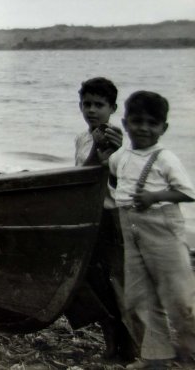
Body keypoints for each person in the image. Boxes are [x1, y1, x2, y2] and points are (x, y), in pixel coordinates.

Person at [108, 91, 195, 369]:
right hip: (130, 226)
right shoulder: (121, 155)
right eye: (136, 121)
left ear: (163, 128)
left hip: (162, 227)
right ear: (125, 123)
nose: (144, 128)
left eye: (152, 123)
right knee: (138, 297)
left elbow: (186, 192)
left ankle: (190, 352)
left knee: (179, 296)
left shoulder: (165, 157)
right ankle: (157, 356)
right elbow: (115, 178)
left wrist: (154, 197)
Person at [68, 77, 138, 362]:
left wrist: (110, 154)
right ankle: (111, 337)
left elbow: (122, 183)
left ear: (113, 108)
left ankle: (127, 347)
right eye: (87, 104)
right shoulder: (83, 138)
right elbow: (81, 178)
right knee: (88, 279)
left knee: (116, 283)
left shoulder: (119, 141)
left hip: (113, 217)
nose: (92, 110)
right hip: (89, 216)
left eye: (99, 105)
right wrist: (95, 153)